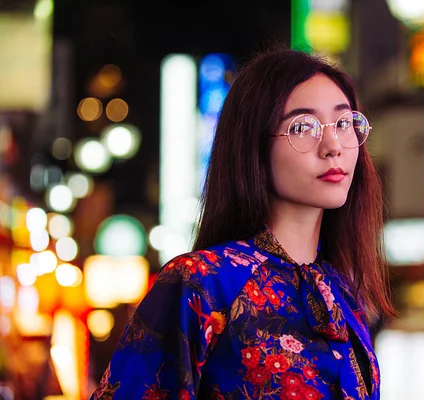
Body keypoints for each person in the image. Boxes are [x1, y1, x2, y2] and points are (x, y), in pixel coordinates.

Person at [91, 48, 396, 400]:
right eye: (302, 127)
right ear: (253, 143)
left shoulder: (342, 292)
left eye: (344, 123)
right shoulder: (201, 283)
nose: (333, 146)